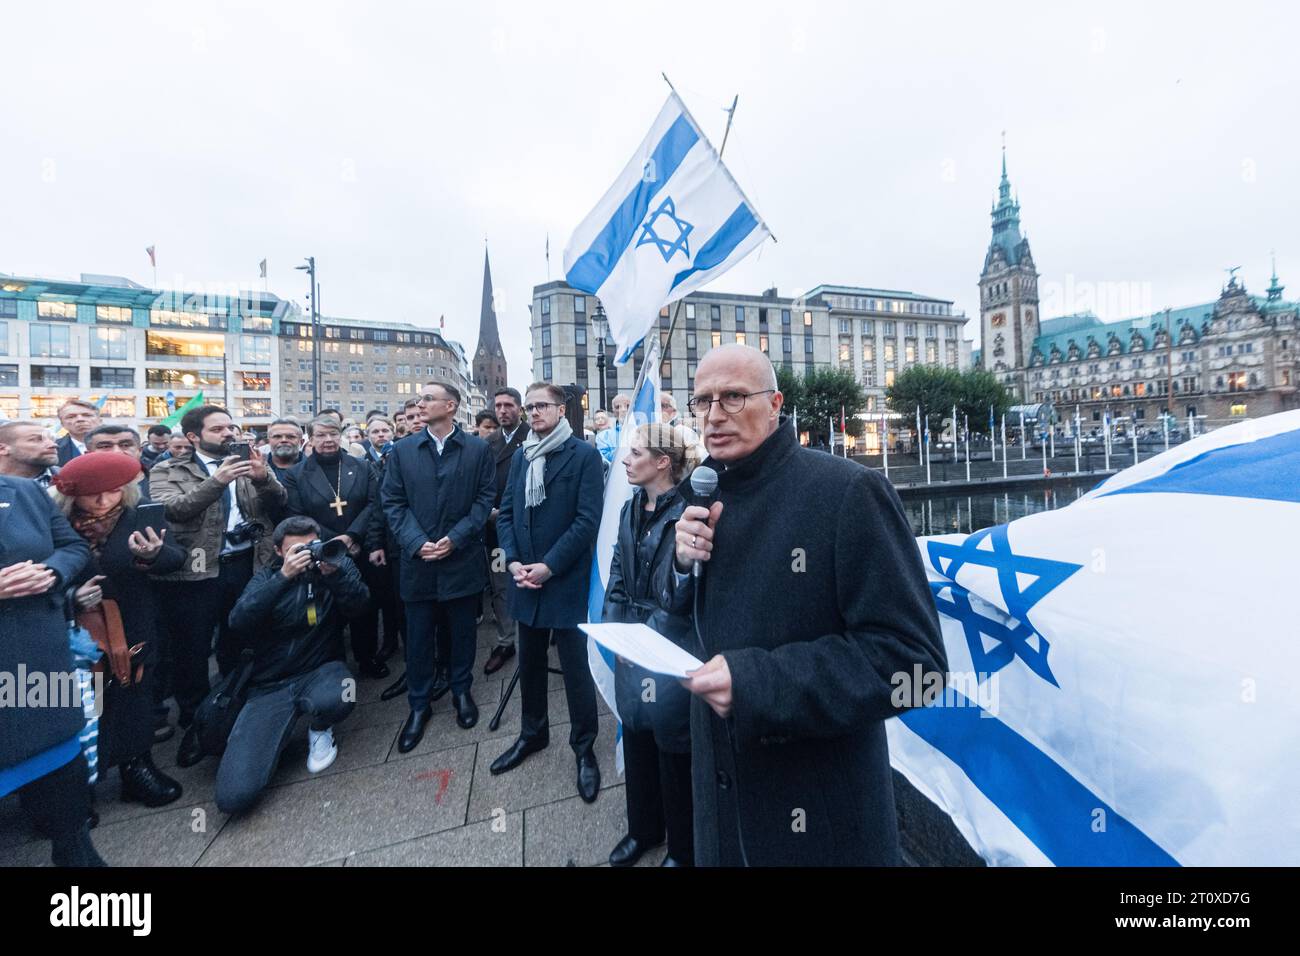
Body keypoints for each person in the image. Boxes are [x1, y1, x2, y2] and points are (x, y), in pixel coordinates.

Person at [667, 345, 947, 866]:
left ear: (775, 404)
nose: (713, 415)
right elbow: (690, 617)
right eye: (701, 401)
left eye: (732, 396)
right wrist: (683, 566)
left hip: (819, 818)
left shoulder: (849, 493)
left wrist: (758, 684)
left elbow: (917, 665)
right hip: (719, 806)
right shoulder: (699, 490)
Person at [149, 405, 286, 766]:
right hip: (196, 573)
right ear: (194, 437)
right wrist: (217, 481)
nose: (229, 434)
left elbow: (279, 501)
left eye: (231, 427)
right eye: (218, 429)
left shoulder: (247, 465)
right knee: (192, 652)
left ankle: (235, 710)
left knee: (239, 640)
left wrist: (262, 477)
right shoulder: (168, 469)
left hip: (246, 564)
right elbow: (173, 509)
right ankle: (197, 724)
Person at [51, 453, 185, 809]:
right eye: (92, 493)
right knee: (84, 703)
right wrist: (71, 597)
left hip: (132, 623)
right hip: (77, 632)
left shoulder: (138, 515)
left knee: (134, 695)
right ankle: (79, 786)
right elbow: (38, 572)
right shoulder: (54, 523)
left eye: (111, 491)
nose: (102, 500)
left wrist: (153, 555)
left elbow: (176, 558)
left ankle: (136, 767)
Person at [490, 382, 603, 802]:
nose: (533, 413)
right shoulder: (522, 455)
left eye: (541, 406)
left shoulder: (584, 456)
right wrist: (514, 560)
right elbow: (506, 513)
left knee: (575, 671)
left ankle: (584, 748)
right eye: (530, 406)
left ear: (560, 409)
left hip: (565, 581)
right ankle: (532, 733)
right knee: (531, 665)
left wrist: (549, 566)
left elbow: (586, 521)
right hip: (524, 580)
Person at [216, 516, 368, 814]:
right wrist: (282, 579)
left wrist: (334, 576)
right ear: (279, 552)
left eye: (311, 546)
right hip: (269, 685)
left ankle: (320, 727)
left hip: (320, 669)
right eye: (297, 551)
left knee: (343, 694)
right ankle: (275, 737)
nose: (306, 555)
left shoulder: (332, 566)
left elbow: (361, 607)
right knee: (234, 796)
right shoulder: (265, 578)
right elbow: (239, 621)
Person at [382, 382, 496, 748]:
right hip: (419, 564)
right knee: (417, 639)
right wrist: (417, 543)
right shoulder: (402, 451)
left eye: (428, 398)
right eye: (419, 398)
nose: (420, 403)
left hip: (461, 560)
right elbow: (393, 503)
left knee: (463, 634)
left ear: (450, 406)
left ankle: (462, 691)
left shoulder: (477, 449)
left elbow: (484, 500)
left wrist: (456, 538)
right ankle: (419, 704)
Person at [603, 423, 696, 867]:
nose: (625, 460)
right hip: (631, 643)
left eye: (635, 453)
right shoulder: (629, 507)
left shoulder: (689, 514)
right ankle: (643, 830)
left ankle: (682, 849)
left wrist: (645, 642)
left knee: (674, 750)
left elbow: (683, 595)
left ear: (663, 462)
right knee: (636, 737)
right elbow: (617, 573)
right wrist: (614, 629)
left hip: (669, 648)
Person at [0, 473, 98, 865]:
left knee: (63, 783)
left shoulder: (23, 490)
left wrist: (52, 572)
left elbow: (72, 547)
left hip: (37, 660)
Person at [281, 416, 388, 678]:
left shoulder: (361, 466)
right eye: (321, 435)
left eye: (333, 434)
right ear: (310, 438)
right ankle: (331, 666)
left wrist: (351, 537)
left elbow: (374, 505)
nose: (328, 440)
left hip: (360, 546)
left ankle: (367, 658)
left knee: (365, 607)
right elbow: (298, 515)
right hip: (320, 551)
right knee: (324, 612)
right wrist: (334, 542)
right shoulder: (296, 475)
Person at [482, 387, 529, 675]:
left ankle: (538, 636)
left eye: (508, 405)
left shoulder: (533, 437)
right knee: (501, 586)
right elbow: (480, 483)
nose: (502, 410)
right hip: (497, 531)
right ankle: (505, 640)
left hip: (527, 528)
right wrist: (488, 511)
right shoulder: (487, 443)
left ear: (519, 408)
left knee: (531, 579)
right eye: (498, 405)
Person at [84, 424, 153, 500]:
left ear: (140, 451)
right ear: (88, 454)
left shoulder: (161, 477)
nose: (117, 452)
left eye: (125, 445)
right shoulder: (80, 487)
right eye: (105, 447)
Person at [0, 420, 60, 488]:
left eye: (52, 439)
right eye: (36, 439)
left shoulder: (70, 480)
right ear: (2, 449)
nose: (53, 445)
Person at [55, 400, 102, 465]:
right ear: (62, 424)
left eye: (87, 415)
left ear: (99, 421)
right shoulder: (54, 449)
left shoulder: (118, 445)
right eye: (71, 417)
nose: (80, 419)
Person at [596, 393, 632, 463]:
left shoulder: (642, 433)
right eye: (618, 407)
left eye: (627, 406)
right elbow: (605, 460)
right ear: (613, 412)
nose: (623, 410)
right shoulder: (602, 437)